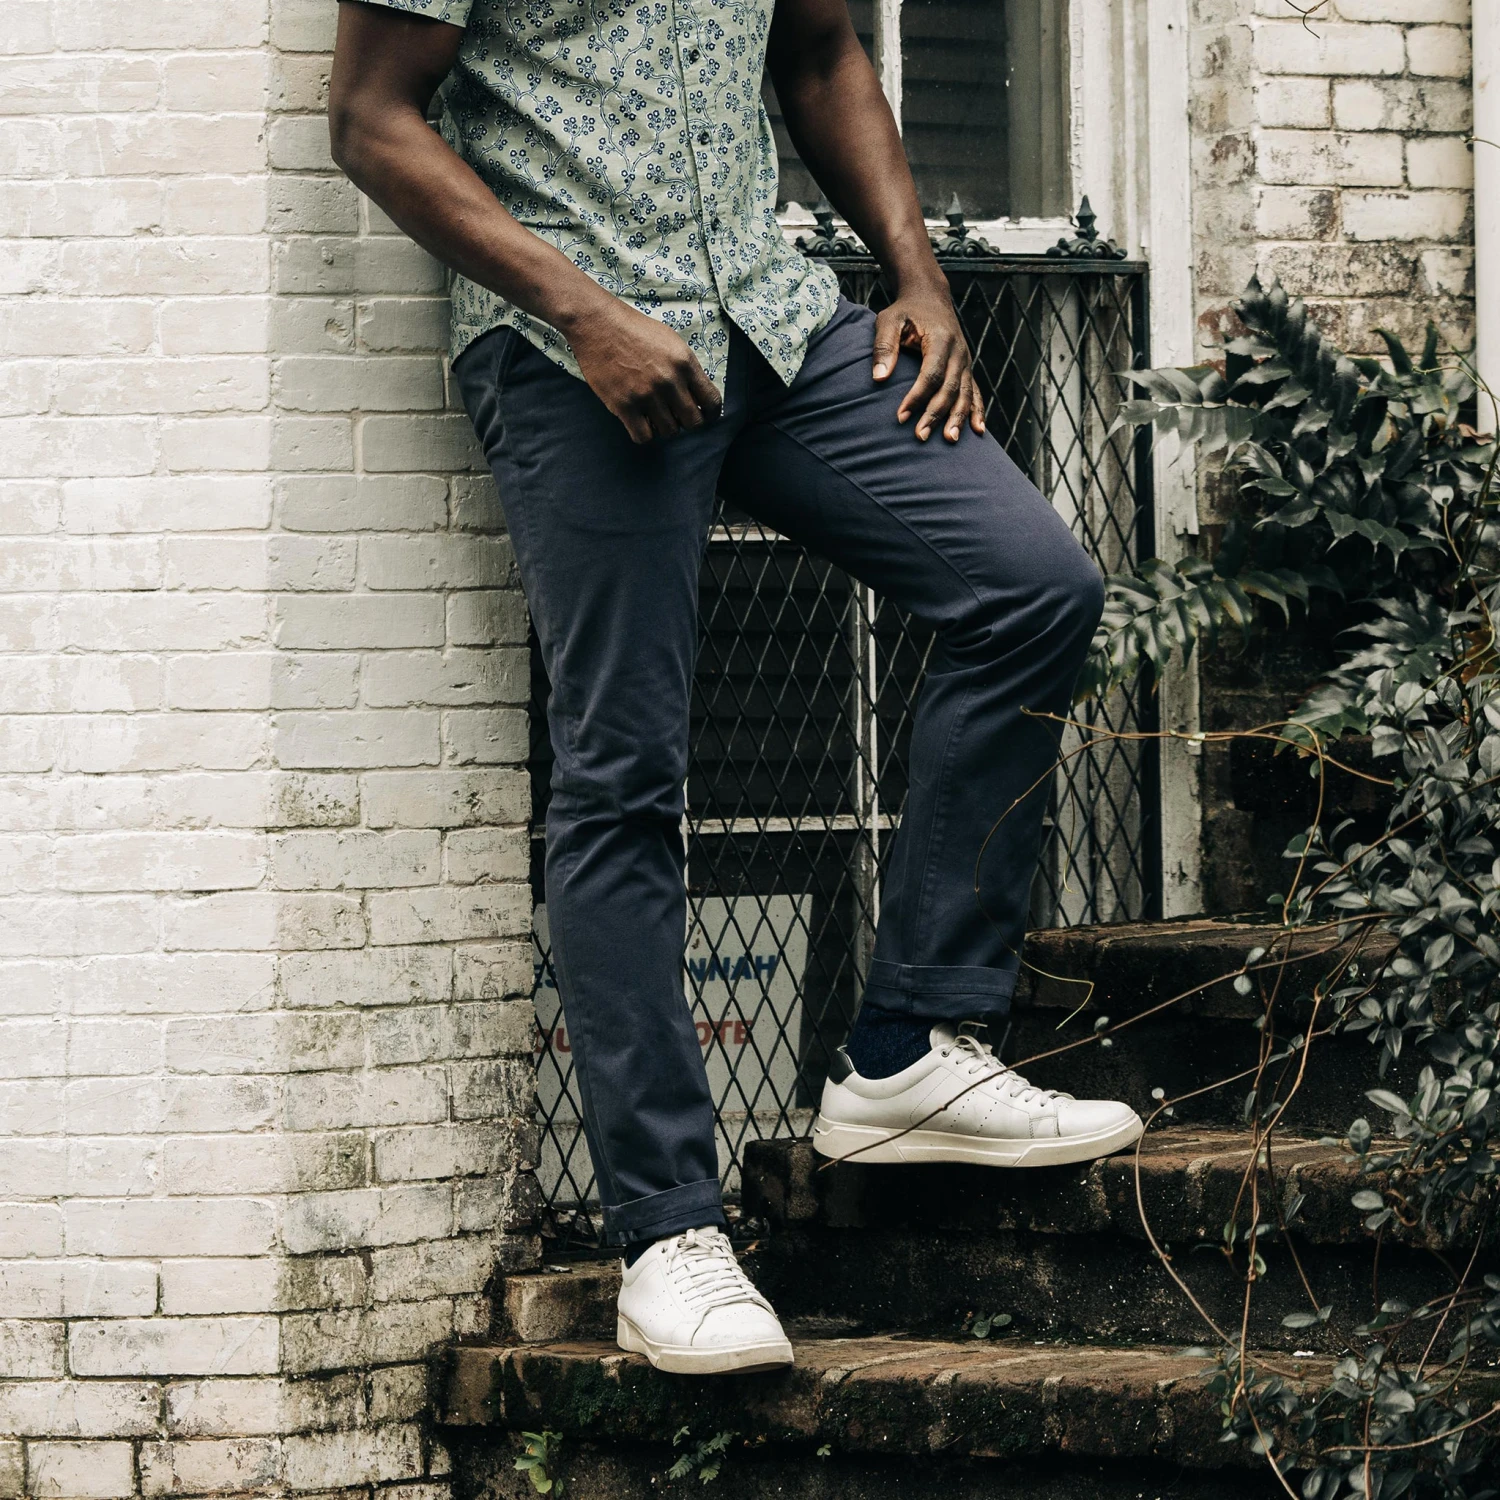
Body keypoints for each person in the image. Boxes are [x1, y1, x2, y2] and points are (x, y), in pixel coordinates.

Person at [328, 0, 1142, 1377]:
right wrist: (583, 310)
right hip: (577, 348)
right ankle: (669, 1235)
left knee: (1031, 588)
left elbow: (820, 51)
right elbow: (370, 119)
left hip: (773, 318)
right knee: (625, 775)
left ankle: (905, 1053)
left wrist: (919, 276)